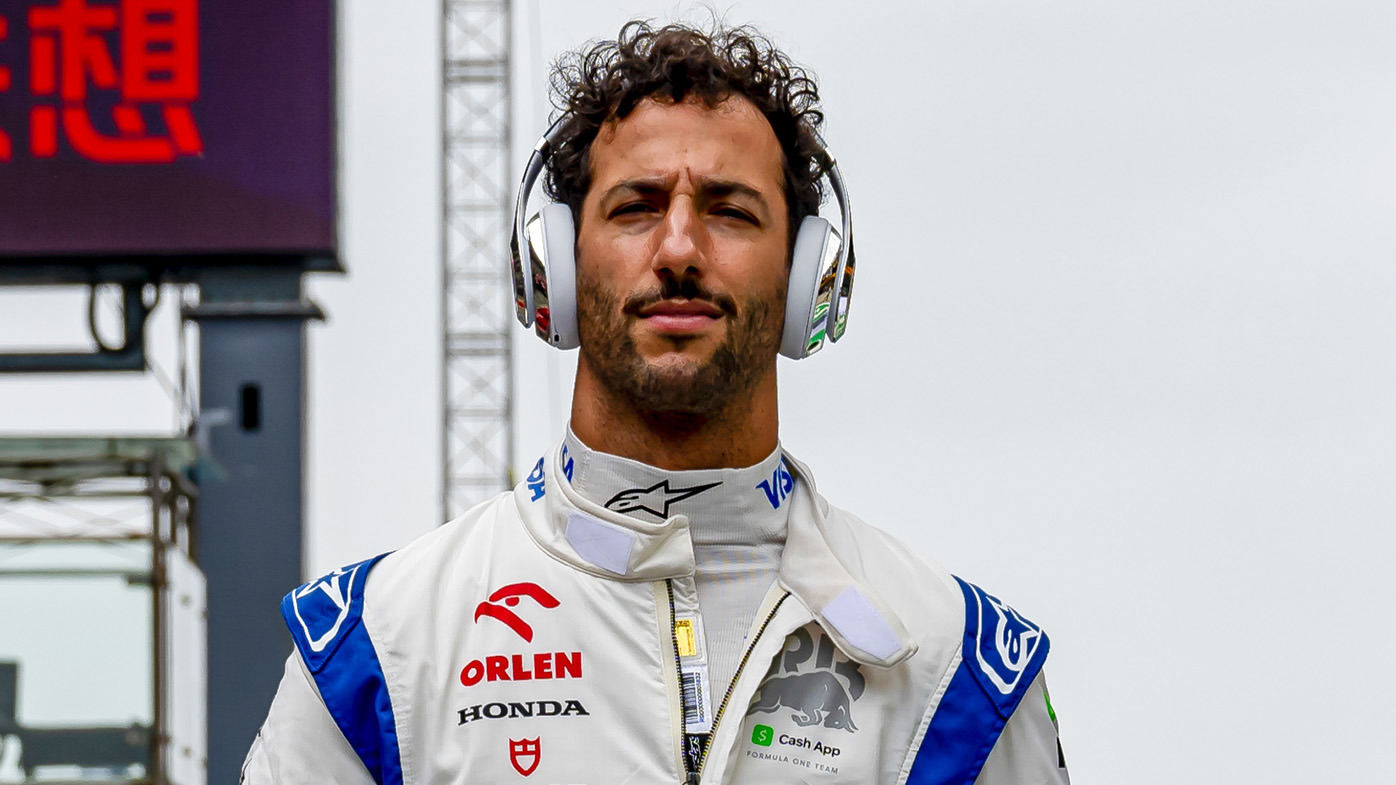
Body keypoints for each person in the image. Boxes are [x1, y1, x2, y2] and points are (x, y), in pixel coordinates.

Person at [241, 20, 1069, 785]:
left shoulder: (956, 670)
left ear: (806, 278)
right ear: (556, 269)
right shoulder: (376, 654)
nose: (679, 249)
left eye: (731, 212)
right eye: (636, 207)